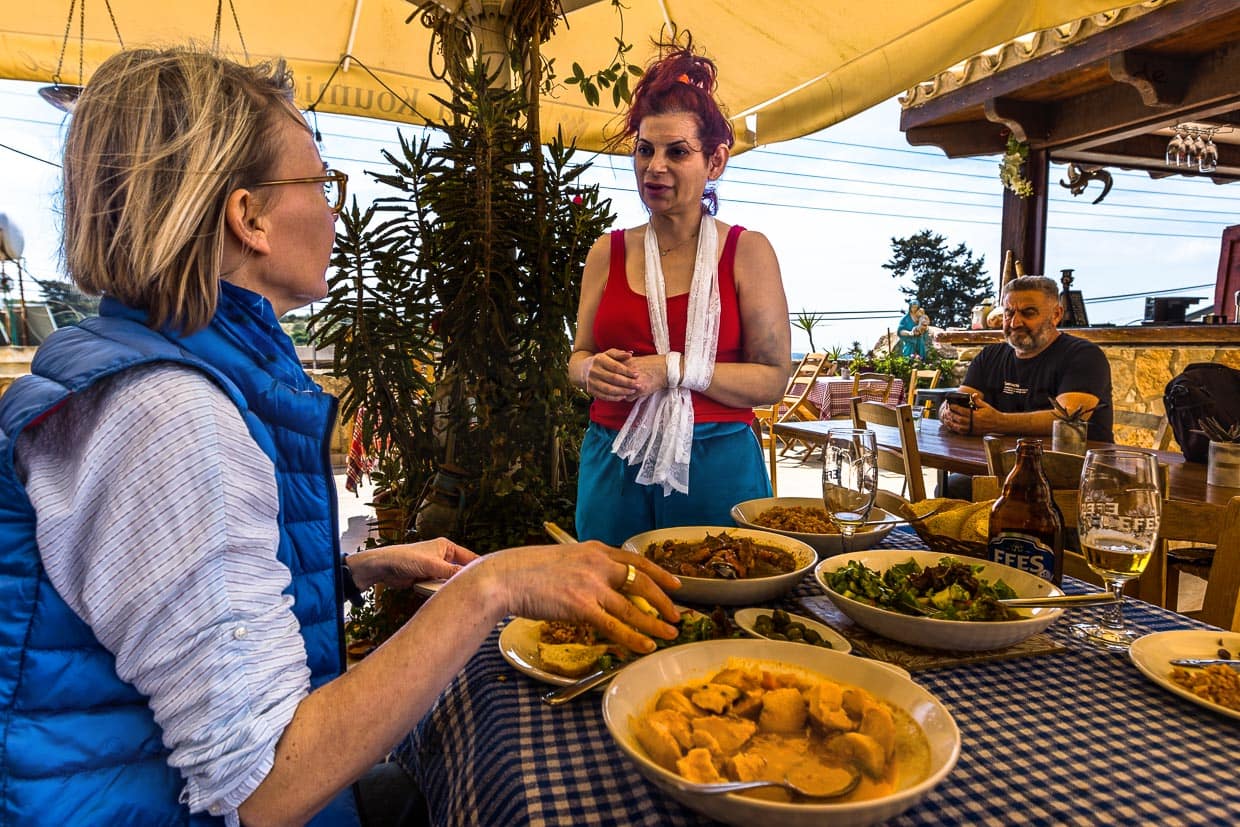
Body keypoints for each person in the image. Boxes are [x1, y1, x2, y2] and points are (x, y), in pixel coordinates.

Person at [0, 47, 682, 827]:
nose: (332, 210)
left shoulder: (153, 370)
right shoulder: (168, 417)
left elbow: (174, 599)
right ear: (248, 216)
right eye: (321, 184)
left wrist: (359, 569)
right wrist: (493, 586)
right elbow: (264, 784)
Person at [569, 39, 791, 545]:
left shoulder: (746, 252)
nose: (655, 168)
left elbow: (773, 379)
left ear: (715, 161)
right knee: (608, 605)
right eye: (644, 150)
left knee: (720, 609)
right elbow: (577, 356)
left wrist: (672, 369)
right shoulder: (608, 251)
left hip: (715, 463)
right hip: (613, 458)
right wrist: (588, 369)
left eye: (677, 152)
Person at [940, 274, 1113, 440]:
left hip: (1073, 466)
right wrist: (948, 413)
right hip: (998, 463)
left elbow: (1069, 417)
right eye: (1009, 313)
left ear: (1056, 315)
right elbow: (960, 400)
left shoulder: (1084, 356)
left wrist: (997, 422)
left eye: (1028, 313)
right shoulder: (989, 356)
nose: (1015, 323)